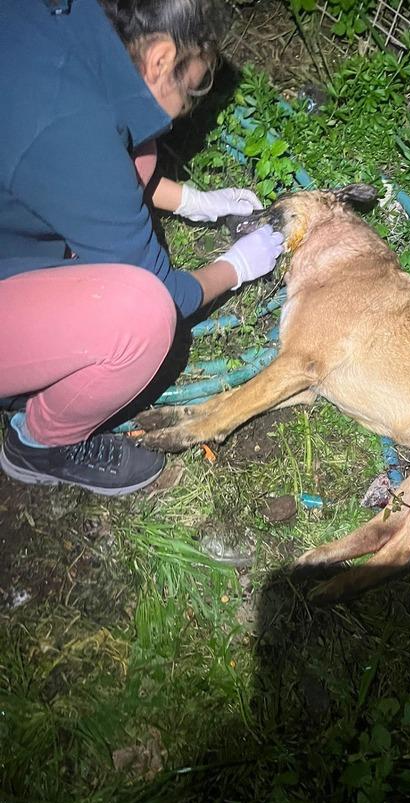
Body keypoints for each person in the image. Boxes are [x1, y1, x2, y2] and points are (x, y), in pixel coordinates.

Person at [0, 0, 284, 495]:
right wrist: (235, 267)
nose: (198, 95)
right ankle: (40, 443)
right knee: (143, 317)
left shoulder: (60, 20)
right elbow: (165, 291)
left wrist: (190, 200)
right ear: (160, 59)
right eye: (200, 79)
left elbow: (95, 158)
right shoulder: (71, 126)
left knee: (141, 147)